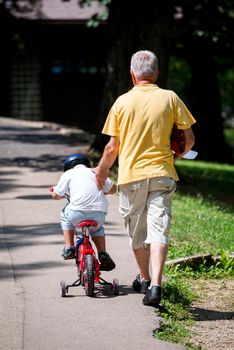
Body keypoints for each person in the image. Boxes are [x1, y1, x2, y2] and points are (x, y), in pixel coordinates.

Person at [95, 50, 196, 306]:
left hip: (131, 178)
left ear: (132, 74)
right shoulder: (170, 98)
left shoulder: (121, 102)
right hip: (162, 175)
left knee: (137, 235)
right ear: (157, 73)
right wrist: (175, 157)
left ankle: (144, 277)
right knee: (159, 230)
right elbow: (189, 139)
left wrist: (102, 170)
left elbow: (112, 147)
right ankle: (156, 286)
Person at [50, 153, 116, 271]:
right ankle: (102, 253)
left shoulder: (68, 174)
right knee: (97, 228)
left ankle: (69, 248)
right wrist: (104, 191)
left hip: (76, 213)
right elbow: (113, 189)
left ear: (68, 166)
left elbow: (56, 196)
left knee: (65, 215)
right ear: (87, 164)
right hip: (99, 214)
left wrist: (54, 190)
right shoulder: (95, 172)